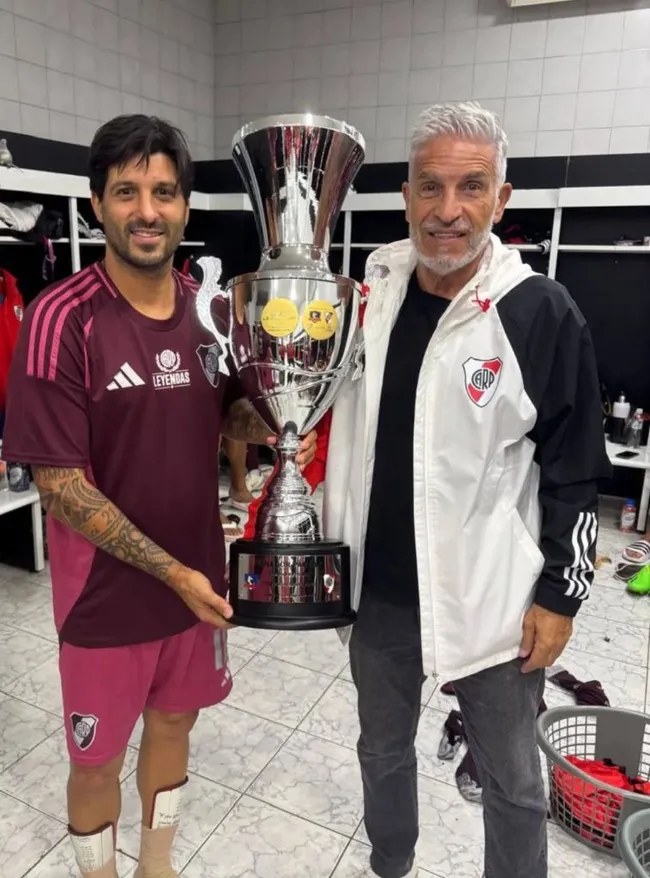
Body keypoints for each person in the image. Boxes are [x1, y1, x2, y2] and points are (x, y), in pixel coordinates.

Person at [1, 114, 317, 878]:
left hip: (198, 586)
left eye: (164, 192)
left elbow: (231, 414)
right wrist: (172, 573)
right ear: (96, 204)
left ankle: (157, 864)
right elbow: (61, 486)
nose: (148, 210)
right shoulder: (58, 318)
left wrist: (284, 421)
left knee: (175, 728)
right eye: (127, 192)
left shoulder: (212, 313)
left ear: (184, 205)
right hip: (105, 602)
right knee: (95, 760)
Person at [320, 102, 611, 878]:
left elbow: (575, 468)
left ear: (501, 199)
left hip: (493, 605)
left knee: (513, 782)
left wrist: (561, 594)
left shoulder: (536, 311)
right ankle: (391, 863)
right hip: (378, 595)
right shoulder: (367, 299)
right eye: (430, 187)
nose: (448, 211)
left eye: (471, 188)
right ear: (407, 194)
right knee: (380, 749)